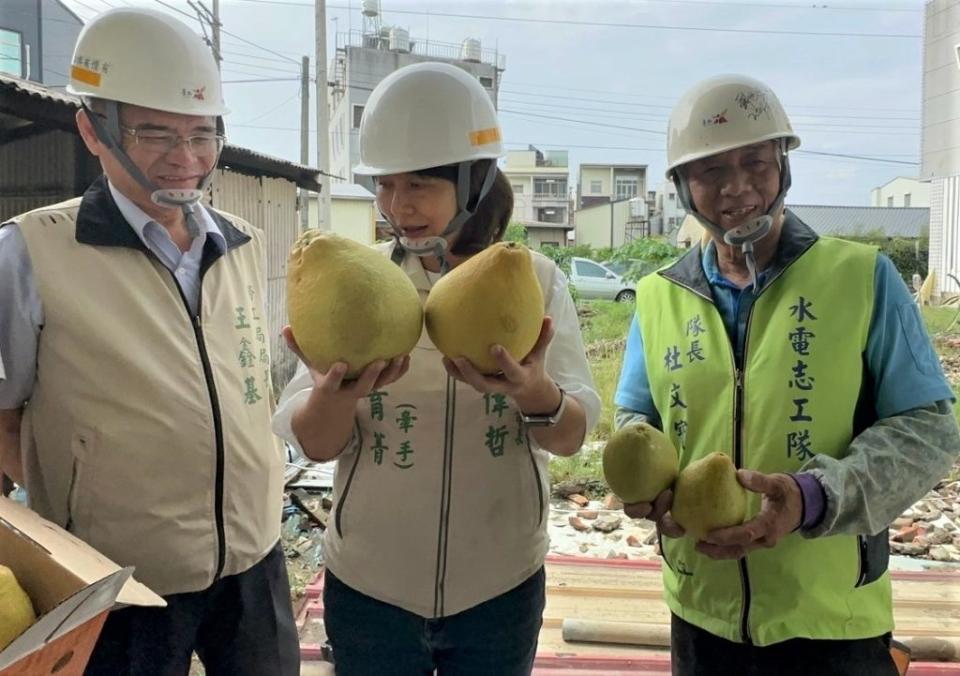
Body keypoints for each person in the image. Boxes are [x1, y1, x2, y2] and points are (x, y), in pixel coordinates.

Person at [614, 74, 960, 676]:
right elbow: (637, 421)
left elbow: (929, 432)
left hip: (831, 620)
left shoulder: (862, 278)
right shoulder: (655, 295)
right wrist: (650, 490)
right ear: (682, 187)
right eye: (711, 170)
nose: (737, 187)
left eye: (755, 162)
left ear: (783, 164)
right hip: (702, 613)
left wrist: (814, 497)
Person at [272, 62, 601, 676]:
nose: (399, 206)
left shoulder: (534, 282)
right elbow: (314, 445)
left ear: (474, 181)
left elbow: (572, 434)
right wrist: (335, 396)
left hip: (499, 585)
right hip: (372, 588)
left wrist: (535, 393)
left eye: (420, 183)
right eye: (385, 185)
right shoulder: (350, 286)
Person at [0, 8, 298, 675]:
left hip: (253, 562)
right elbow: (4, 418)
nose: (186, 158)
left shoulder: (240, 242)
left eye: (202, 134)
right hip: (122, 581)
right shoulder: (31, 252)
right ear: (92, 129)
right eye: (156, 132)